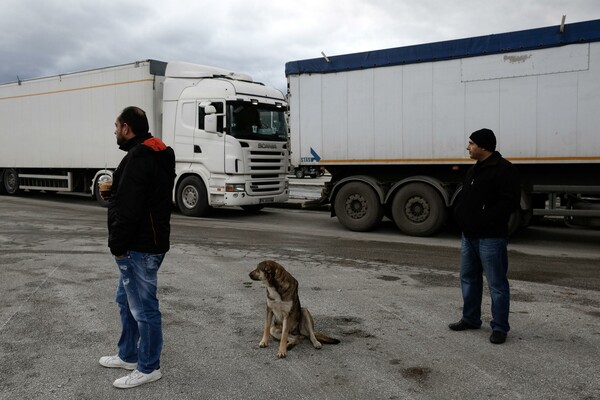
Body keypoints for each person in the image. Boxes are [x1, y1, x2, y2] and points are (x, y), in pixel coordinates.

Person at [99, 106, 176, 388]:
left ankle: (148, 366)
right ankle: (129, 354)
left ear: (127, 128)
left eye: (117, 126)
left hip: (139, 246)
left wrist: (117, 245)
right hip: (150, 241)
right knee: (125, 300)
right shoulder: (157, 152)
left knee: (144, 308)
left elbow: (130, 208)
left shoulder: (138, 158)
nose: (115, 131)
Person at [449, 128, 520, 345]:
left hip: (491, 237)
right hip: (469, 236)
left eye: (471, 143)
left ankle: (499, 328)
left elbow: (510, 202)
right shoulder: (475, 169)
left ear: (483, 146)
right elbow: (466, 198)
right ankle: (470, 319)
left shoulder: (503, 169)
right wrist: (461, 216)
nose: (467, 147)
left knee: (496, 284)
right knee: (468, 279)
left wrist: (484, 218)